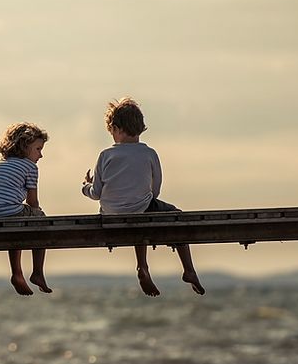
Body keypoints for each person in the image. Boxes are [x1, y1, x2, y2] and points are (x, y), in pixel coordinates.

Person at [81, 98, 206, 297]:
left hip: (110, 214)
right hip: (142, 209)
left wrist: (84, 187)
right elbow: (155, 192)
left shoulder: (105, 155)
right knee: (174, 216)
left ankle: (143, 266)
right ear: (140, 127)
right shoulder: (149, 154)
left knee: (137, 215)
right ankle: (189, 270)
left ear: (116, 128)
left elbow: (96, 193)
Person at [0, 122, 52, 296]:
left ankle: (17, 273)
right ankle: (37, 272)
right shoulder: (30, 167)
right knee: (40, 218)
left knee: (15, 221)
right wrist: (37, 212)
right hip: (8, 212)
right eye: (38, 149)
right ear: (25, 147)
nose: (41, 155)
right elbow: (32, 202)